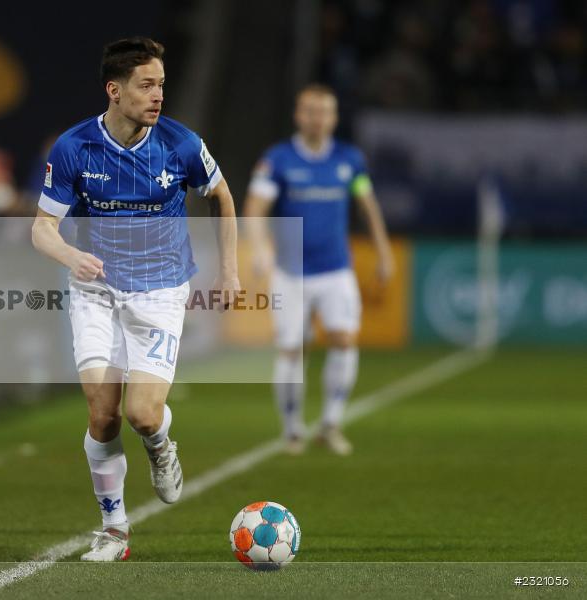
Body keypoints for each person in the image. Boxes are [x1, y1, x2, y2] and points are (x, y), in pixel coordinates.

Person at [31, 37, 239, 561]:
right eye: (146, 85)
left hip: (162, 289)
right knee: (103, 414)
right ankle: (115, 529)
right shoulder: (74, 147)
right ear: (114, 90)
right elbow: (42, 229)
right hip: (95, 289)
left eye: (162, 85)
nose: (157, 95)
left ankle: (161, 444)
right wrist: (69, 257)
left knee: (143, 415)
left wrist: (231, 271)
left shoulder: (180, 144)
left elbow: (222, 195)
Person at [244, 83, 393, 456]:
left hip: (336, 270)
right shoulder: (278, 159)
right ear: (298, 115)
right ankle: (293, 429)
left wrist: (384, 250)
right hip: (290, 273)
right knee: (294, 349)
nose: (317, 118)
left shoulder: (349, 160)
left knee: (344, 340)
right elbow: (255, 207)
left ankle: (330, 423)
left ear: (334, 117)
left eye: (324, 111)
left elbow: (367, 205)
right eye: (310, 110)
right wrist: (259, 248)